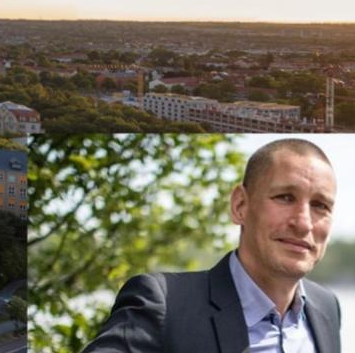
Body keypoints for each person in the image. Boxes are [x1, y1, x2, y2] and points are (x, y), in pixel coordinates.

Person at [84, 139, 341, 353]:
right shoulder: (164, 304)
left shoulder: (326, 308)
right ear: (240, 205)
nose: (304, 223)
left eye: (320, 205)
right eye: (285, 197)